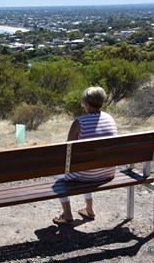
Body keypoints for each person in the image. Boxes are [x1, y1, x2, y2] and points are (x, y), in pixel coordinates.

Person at [53, 86, 117, 225]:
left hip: (87, 175)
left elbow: (67, 151)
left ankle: (67, 214)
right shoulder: (110, 119)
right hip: (107, 172)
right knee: (88, 165)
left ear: (85, 103)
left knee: (57, 176)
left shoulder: (79, 122)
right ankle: (89, 209)